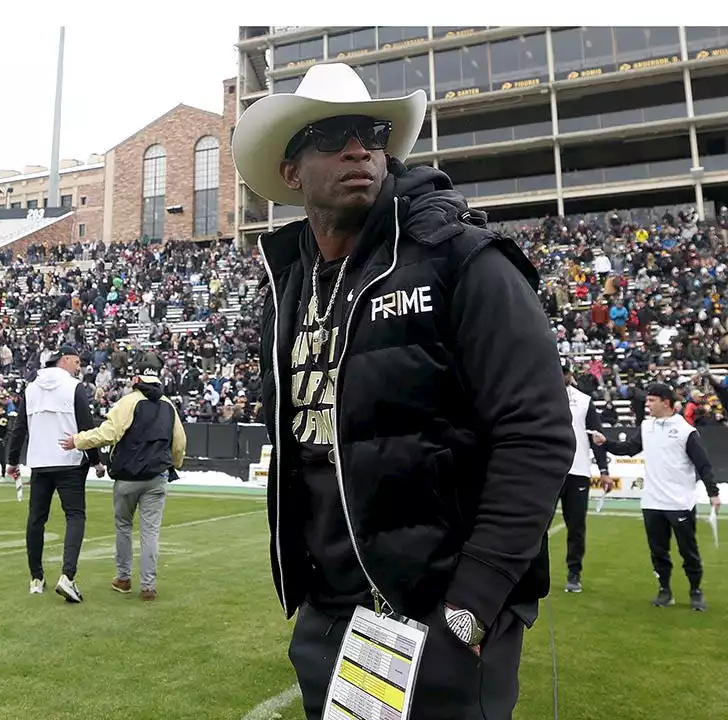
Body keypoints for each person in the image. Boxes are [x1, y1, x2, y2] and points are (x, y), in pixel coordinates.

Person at [230, 62, 574, 719]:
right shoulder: (289, 285)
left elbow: (537, 432)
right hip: (330, 612)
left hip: (442, 616)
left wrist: (472, 605)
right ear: (292, 170)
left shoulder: (462, 259)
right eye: (332, 134)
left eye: (372, 132)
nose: (359, 147)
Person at [60, 358, 186, 601]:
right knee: (150, 532)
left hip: (128, 477)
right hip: (157, 477)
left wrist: (78, 440)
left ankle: (124, 578)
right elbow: (179, 443)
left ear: (136, 378)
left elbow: (109, 433)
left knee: (124, 527)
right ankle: (148, 587)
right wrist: (174, 463)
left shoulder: (129, 402)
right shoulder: (168, 405)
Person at [591, 383, 721, 611]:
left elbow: (703, 465)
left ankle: (695, 591)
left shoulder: (685, 431)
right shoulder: (646, 427)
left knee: (688, 551)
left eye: (651, 400)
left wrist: (713, 493)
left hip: (680, 502)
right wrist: (606, 443)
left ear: (666, 403)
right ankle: (664, 590)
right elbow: (629, 449)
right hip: (652, 501)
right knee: (658, 552)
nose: (647, 404)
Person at [6, 345, 104, 603]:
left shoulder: (31, 388)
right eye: (77, 361)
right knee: (75, 516)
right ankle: (67, 576)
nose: (79, 366)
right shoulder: (74, 388)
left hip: (40, 462)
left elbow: (19, 429)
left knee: (36, 519)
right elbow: (86, 427)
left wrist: (12, 461)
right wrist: (96, 461)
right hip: (70, 462)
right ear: (66, 359)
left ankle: (36, 578)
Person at [562, 368, 613, 593]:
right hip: (547, 471)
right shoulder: (538, 395)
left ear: (570, 374)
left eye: (564, 372)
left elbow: (596, 436)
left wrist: (603, 470)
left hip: (578, 470)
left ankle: (574, 573)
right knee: (537, 525)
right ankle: (532, 571)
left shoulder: (584, 401)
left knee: (576, 526)